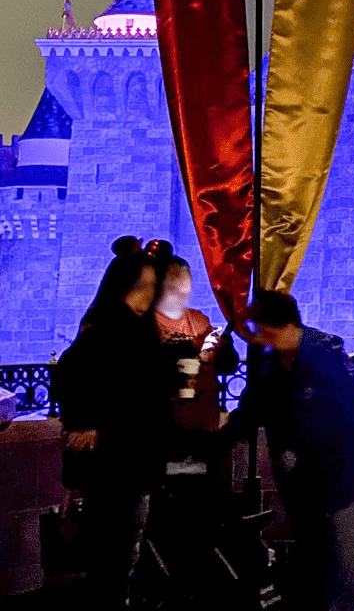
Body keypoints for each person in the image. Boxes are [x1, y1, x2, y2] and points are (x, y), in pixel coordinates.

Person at [237, 291, 354, 611]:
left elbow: (344, 423)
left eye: (266, 331)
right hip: (306, 476)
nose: (260, 340)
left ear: (288, 327)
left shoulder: (322, 357)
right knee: (313, 553)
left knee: (343, 559)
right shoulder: (271, 358)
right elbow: (255, 406)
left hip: (351, 469)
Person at [57, 239, 175, 609]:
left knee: (123, 554)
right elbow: (69, 372)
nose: (149, 295)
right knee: (117, 557)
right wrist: (84, 422)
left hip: (132, 459)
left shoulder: (133, 330)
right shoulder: (111, 329)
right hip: (119, 462)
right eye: (144, 287)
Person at [154, 256, 226, 436]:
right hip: (165, 418)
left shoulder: (198, 319)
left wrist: (219, 346)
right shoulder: (146, 322)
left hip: (203, 417)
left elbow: (218, 355)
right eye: (174, 280)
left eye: (186, 280)